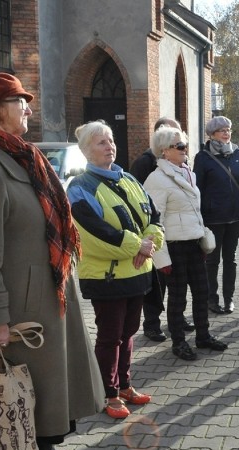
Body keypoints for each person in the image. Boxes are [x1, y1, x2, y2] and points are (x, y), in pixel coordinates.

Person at [0, 72, 104, 450]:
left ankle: (42, 446)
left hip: (44, 295)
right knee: (14, 385)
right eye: (20, 102)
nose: (28, 109)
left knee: (44, 382)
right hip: (17, 307)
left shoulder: (20, 155)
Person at [67, 120, 164, 419]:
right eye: (101, 143)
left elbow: (153, 216)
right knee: (111, 337)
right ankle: (108, 393)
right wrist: (137, 246)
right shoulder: (80, 188)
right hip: (107, 277)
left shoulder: (129, 180)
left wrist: (150, 242)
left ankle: (124, 385)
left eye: (110, 141)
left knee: (130, 332)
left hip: (137, 272)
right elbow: (92, 233)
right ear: (86, 151)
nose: (109, 146)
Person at [143, 126, 228, 360]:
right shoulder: (157, 179)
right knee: (178, 297)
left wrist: (201, 237)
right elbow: (153, 220)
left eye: (185, 145)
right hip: (174, 245)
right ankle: (178, 342)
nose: (184, 149)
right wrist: (161, 258)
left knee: (202, 291)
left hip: (194, 243)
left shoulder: (187, 172)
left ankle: (203, 336)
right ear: (163, 151)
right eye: (179, 146)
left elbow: (194, 211)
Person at [130, 117, 194, 342]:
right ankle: (152, 324)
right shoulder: (144, 162)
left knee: (179, 282)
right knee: (156, 284)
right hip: (154, 234)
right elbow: (137, 200)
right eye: (173, 137)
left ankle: (178, 318)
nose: (179, 142)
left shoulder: (181, 163)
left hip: (178, 235)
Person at [192, 115, 239, 315]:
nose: (227, 134)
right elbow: (197, 190)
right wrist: (200, 218)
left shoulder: (238, 154)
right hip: (213, 218)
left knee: (231, 259)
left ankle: (229, 298)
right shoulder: (203, 157)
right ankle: (212, 298)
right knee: (212, 260)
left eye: (229, 130)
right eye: (222, 131)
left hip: (235, 217)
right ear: (212, 134)